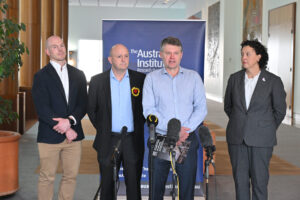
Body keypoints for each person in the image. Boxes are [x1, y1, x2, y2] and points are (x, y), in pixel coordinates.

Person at [142, 36, 207, 200]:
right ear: (161, 54)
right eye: (168, 53)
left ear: (181, 55)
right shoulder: (151, 79)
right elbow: (149, 110)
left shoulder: (193, 77)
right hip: (161, 138)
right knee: (156, 189)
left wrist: (185, 130)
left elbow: (201, 108)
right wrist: (173, 130)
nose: (172, 57)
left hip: (186, 138)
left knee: (186, 189)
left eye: (175, 53)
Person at [224, 40, 286, 200]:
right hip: (237, 139)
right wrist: (241, 123)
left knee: (260, 183)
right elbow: (228, 107)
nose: (243, 57)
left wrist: (264, 126)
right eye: (242, 54)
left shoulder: (273, 81)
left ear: (259, 57)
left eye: (248, 54)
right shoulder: (234, 79)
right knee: (240, 182)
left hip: (262, 140)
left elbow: (279, 111)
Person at [32, 35, 87, 200]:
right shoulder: (41, 76)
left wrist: (69, 123)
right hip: (49, 136)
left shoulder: (78, 74)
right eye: (55, 46)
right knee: (47, 177)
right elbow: (42, 109)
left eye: (62, 45)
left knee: (70, 177)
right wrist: (65, 129)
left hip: (74, 136)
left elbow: (83, 104)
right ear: (48, 51)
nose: (60, 48)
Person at [87, 44, 145, 200]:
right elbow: (91, 110)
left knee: (133, 185)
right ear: (110, 59)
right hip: (108, 139)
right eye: (119, 56)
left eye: (126, 56)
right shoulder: (97, 81)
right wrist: (104, 128)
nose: (123, 59)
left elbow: (145, 109)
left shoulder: (140, 80)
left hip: (132, 140)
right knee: (107, 186)